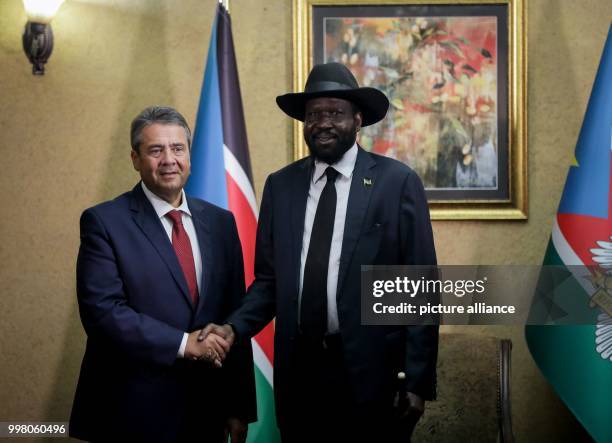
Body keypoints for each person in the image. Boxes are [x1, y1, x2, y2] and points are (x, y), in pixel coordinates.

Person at [203, 62, 438, 442]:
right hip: (301, 376)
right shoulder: (281, 186)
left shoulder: (396, 183)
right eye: (314, 115)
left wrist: (417, 380)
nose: (323, 123)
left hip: (373, 376)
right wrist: (233, 327)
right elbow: (268, 283)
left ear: (357, 120)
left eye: (334, 114)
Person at [69, 106, 256, 443]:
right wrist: (185, 344)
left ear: (189, 155)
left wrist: (238, 406)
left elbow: (234, 313)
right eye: (156, 150)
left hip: (206, 411)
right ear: (135, 158)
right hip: (131, 411)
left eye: (177, 148)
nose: (169, 159)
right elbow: (103, 313)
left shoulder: (221, 222)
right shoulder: (104, 222)